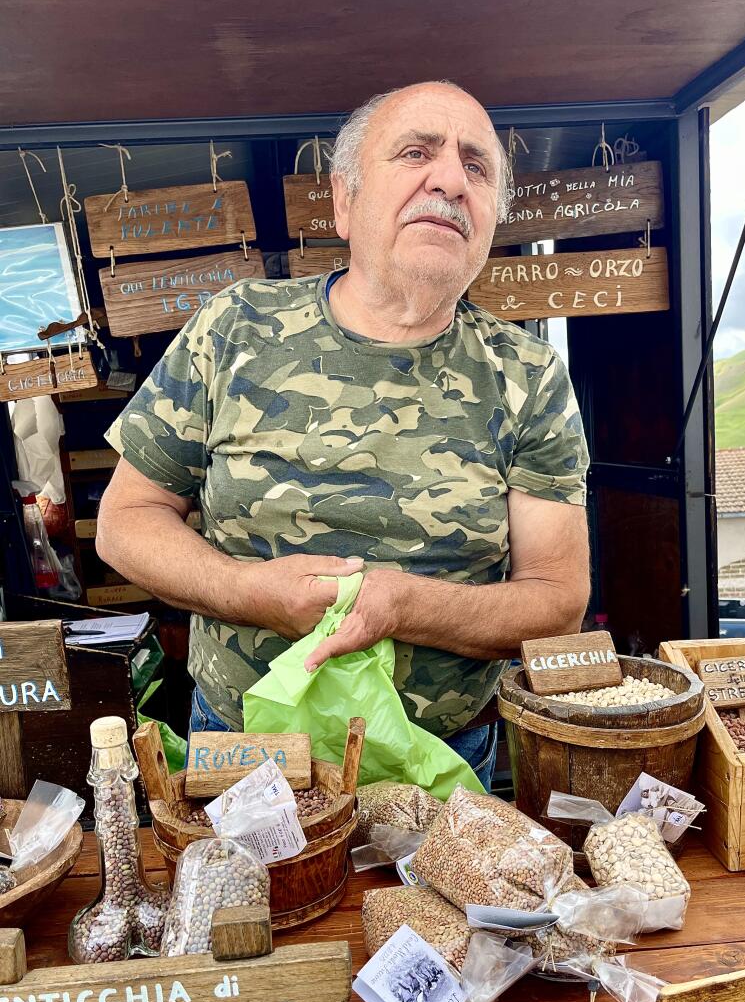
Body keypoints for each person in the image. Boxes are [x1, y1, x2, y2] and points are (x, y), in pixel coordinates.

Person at [97, 80, 590, 790]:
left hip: (434, 763)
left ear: (489, 219)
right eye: (417, 151)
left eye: (477, 167)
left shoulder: (529, 376)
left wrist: (401, 605)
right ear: (345, 201)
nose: (450, 178)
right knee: (245, 904)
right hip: (247, 754)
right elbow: (124, 523)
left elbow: (557, 598)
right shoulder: (236, 327)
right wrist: (249, 591)